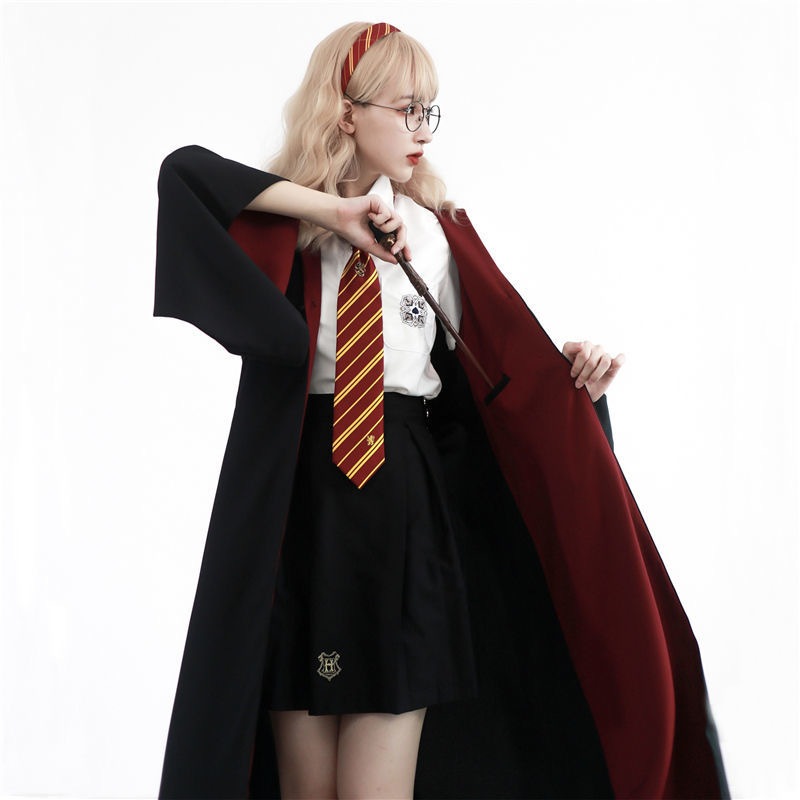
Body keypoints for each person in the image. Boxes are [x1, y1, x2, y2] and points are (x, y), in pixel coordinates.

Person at [154, 22, 728, 800]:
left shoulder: (437, 235)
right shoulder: (287, 228)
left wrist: (574, 385)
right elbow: (184, 175)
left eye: (431, 111)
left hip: (403, 507)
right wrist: (332, 213)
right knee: (305, 788)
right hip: (303, 517)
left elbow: (499, 379)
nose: (423, 129)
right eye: (407, 109)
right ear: (347, 113)